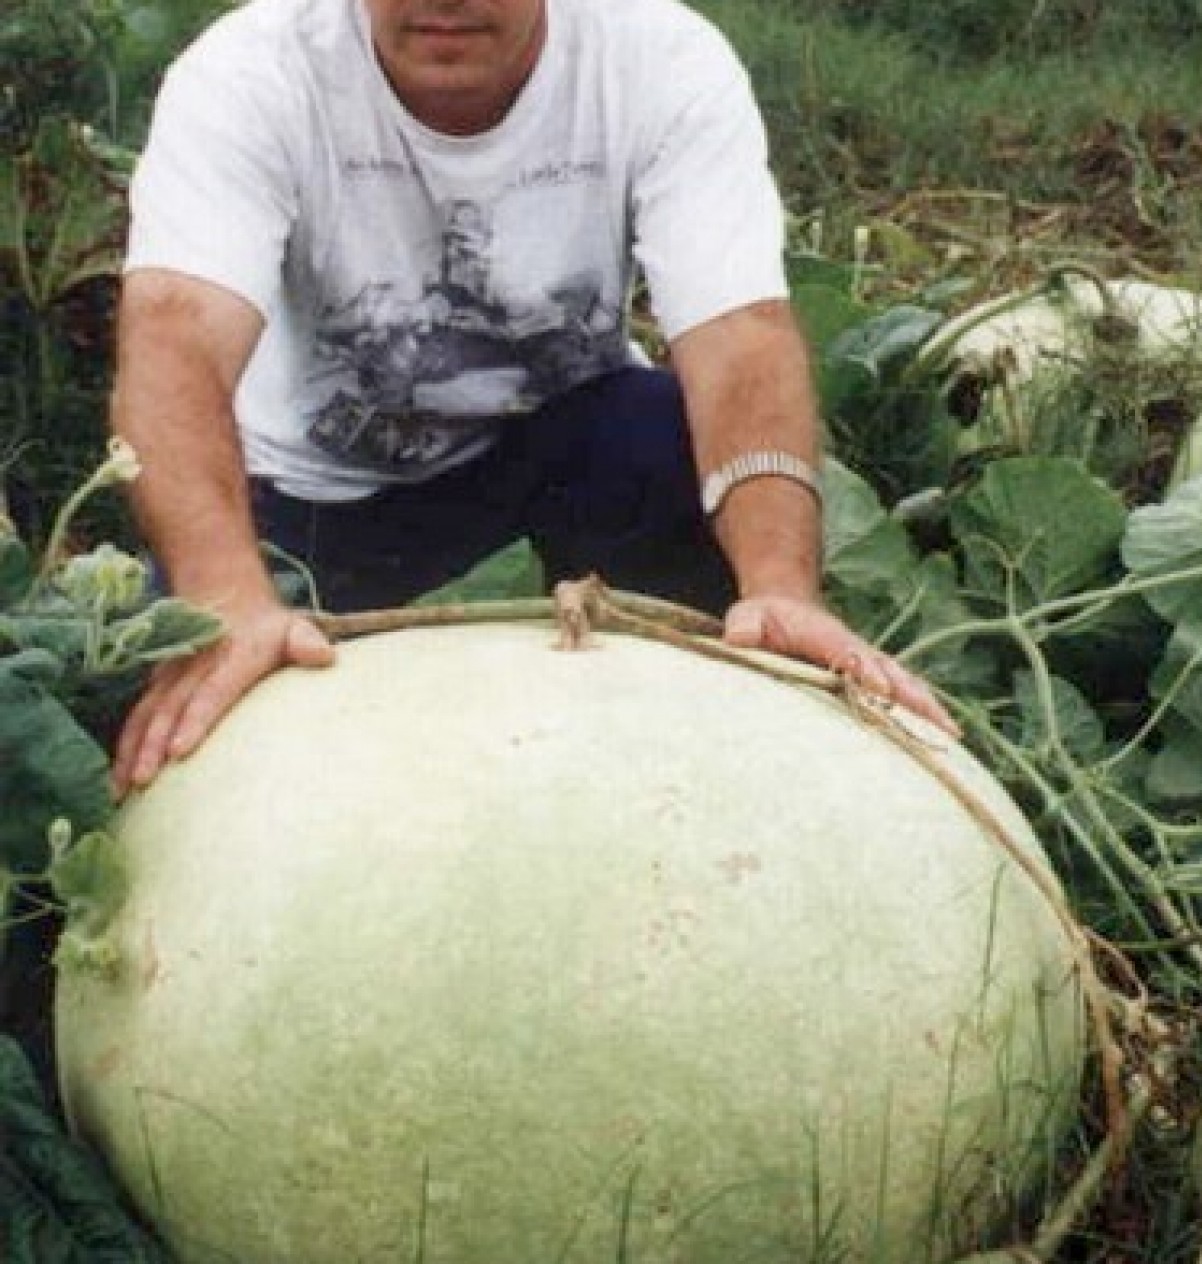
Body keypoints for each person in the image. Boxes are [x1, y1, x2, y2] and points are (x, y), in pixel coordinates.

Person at [110, 0, 956, 796]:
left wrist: (780, 584)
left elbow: (740, 335)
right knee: (190, 727)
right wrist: (224, 596)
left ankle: (680, 752)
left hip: (560, 463)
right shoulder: (252, 72)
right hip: (308, 507)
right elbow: (176, 334)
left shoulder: (657, 58)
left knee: (652, 430)